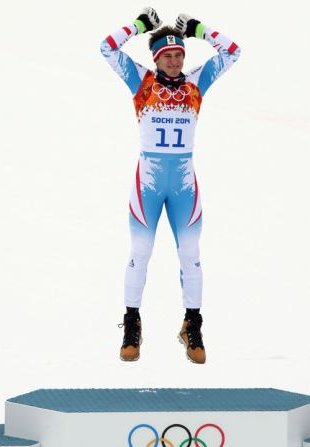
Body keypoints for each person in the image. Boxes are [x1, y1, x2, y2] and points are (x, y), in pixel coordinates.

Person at [101, 7, 240, 364]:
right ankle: (132, 323)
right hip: (148, 181)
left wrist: (198, 29)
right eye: (168, 56)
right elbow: (107, 48)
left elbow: (233, 51)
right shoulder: (142, 81)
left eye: (180, 55)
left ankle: (192, 323)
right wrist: (139, 25)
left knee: (191, 253)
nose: (176, 61)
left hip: (182, 181)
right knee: (141, 251)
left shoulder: (196, 82)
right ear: (157, 58)